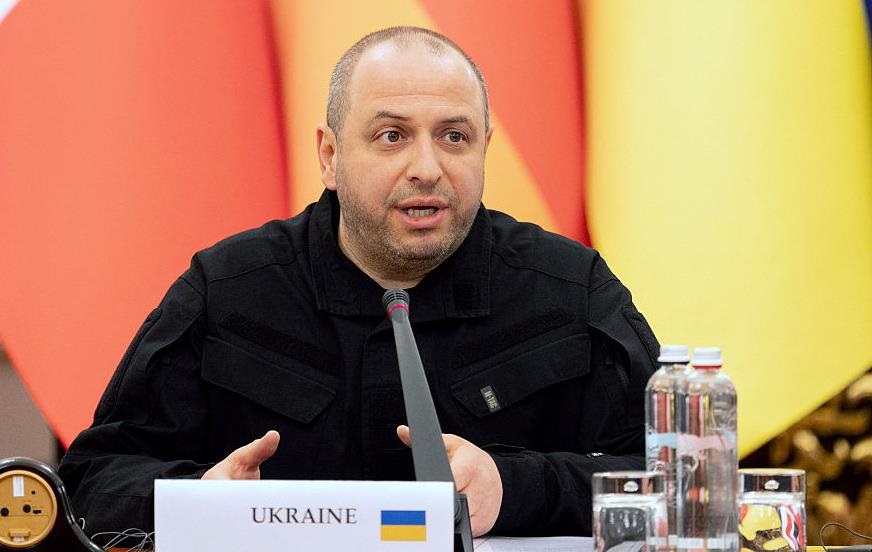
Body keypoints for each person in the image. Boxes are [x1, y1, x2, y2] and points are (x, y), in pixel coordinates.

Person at [58, 26, 659, 539]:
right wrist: (199, 501)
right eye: (392, 136)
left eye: (454, 137)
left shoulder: (569, 288)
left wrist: (517, 487)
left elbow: (671, 485)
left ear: (485, 149)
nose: (427, 168)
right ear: (329, 155)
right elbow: (91, 480)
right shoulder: (227, 289)